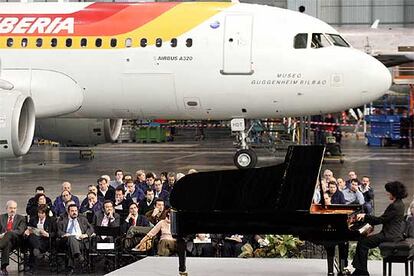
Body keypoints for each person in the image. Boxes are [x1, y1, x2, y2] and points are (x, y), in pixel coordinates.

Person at [351, 181, 408, 276]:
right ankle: (359, 271)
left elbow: (380, 220)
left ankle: (362, 272)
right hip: (393, 234)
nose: (387, 193)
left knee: (363, 243)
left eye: (389, 192)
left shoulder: (394, 206)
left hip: (389, 235)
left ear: (394, 192)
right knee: (362, 240)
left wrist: (365, 216)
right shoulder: (400, 204)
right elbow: (383, 219)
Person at [57, 204, 94, 273]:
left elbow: (91, 228)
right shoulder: (62, 220)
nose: (74, 212)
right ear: (68, 212)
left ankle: (70, 267)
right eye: (72, 211)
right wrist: (64, 234)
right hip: (66, 242)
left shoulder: (83, 219)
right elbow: (58, 231)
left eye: (76, 211)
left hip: (81, 241)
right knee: (71, 237)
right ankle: (78, 255)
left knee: (71, 247)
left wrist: (86, 234)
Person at [24, 204, 55, 273]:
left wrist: (48, 234)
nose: (40, 215)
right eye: (39, 213)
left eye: (42, 213)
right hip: (34, 239)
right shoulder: (33, 219)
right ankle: (38, 251)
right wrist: (27, 231)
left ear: (46, 213)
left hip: (45, 241)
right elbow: (29, 227)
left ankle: (36, 254)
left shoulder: (51, 220)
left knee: (34, 248)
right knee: (32, 237)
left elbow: (55, 233)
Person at [0, 200, 27, 275]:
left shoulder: (21, 218)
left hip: (16, 241)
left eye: (15, 208)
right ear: (6, 208)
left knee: (10, 233)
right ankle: (3, 268)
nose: (13, 210)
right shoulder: (1, 217)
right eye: (11, 208)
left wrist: (7, 234)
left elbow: (20, 231)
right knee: (7, 244)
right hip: (5, 242)